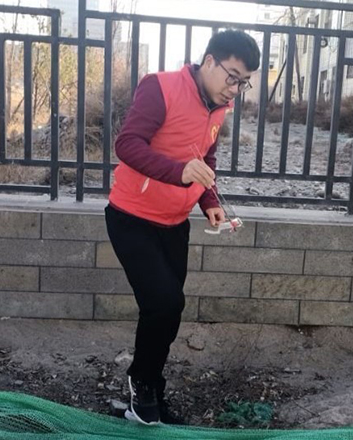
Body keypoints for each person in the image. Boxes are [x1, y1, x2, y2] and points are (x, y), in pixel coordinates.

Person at [105, 29, 261, 425]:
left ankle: (151, 392)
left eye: (243, 83)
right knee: (164, 302)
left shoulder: (219, 106)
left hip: (174, 224)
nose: (235, 90)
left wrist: (209, 202)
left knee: (168, 311)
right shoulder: (160, 87)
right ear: (209, 61)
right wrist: (178, 172)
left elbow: (204, 157)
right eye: (232, 77)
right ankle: (141, 383)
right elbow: (127, 144)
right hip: (132, 217)